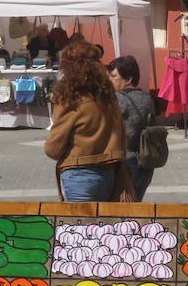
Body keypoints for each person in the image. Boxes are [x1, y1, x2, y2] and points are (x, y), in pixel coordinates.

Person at [44, 40, 132, 202]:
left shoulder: (71, 100)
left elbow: (53, 149)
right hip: (111, 171)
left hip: (80, 174)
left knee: (82, 226)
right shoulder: (109, 97)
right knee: (104, 226)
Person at [107, 55, 155, 201]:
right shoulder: (147, 98)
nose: (110, 80)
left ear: (128, 79)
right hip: (146, 163)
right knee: (135, 210)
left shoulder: (118, 99)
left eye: (114, 76)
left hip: (126, 165)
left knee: (120, 214)